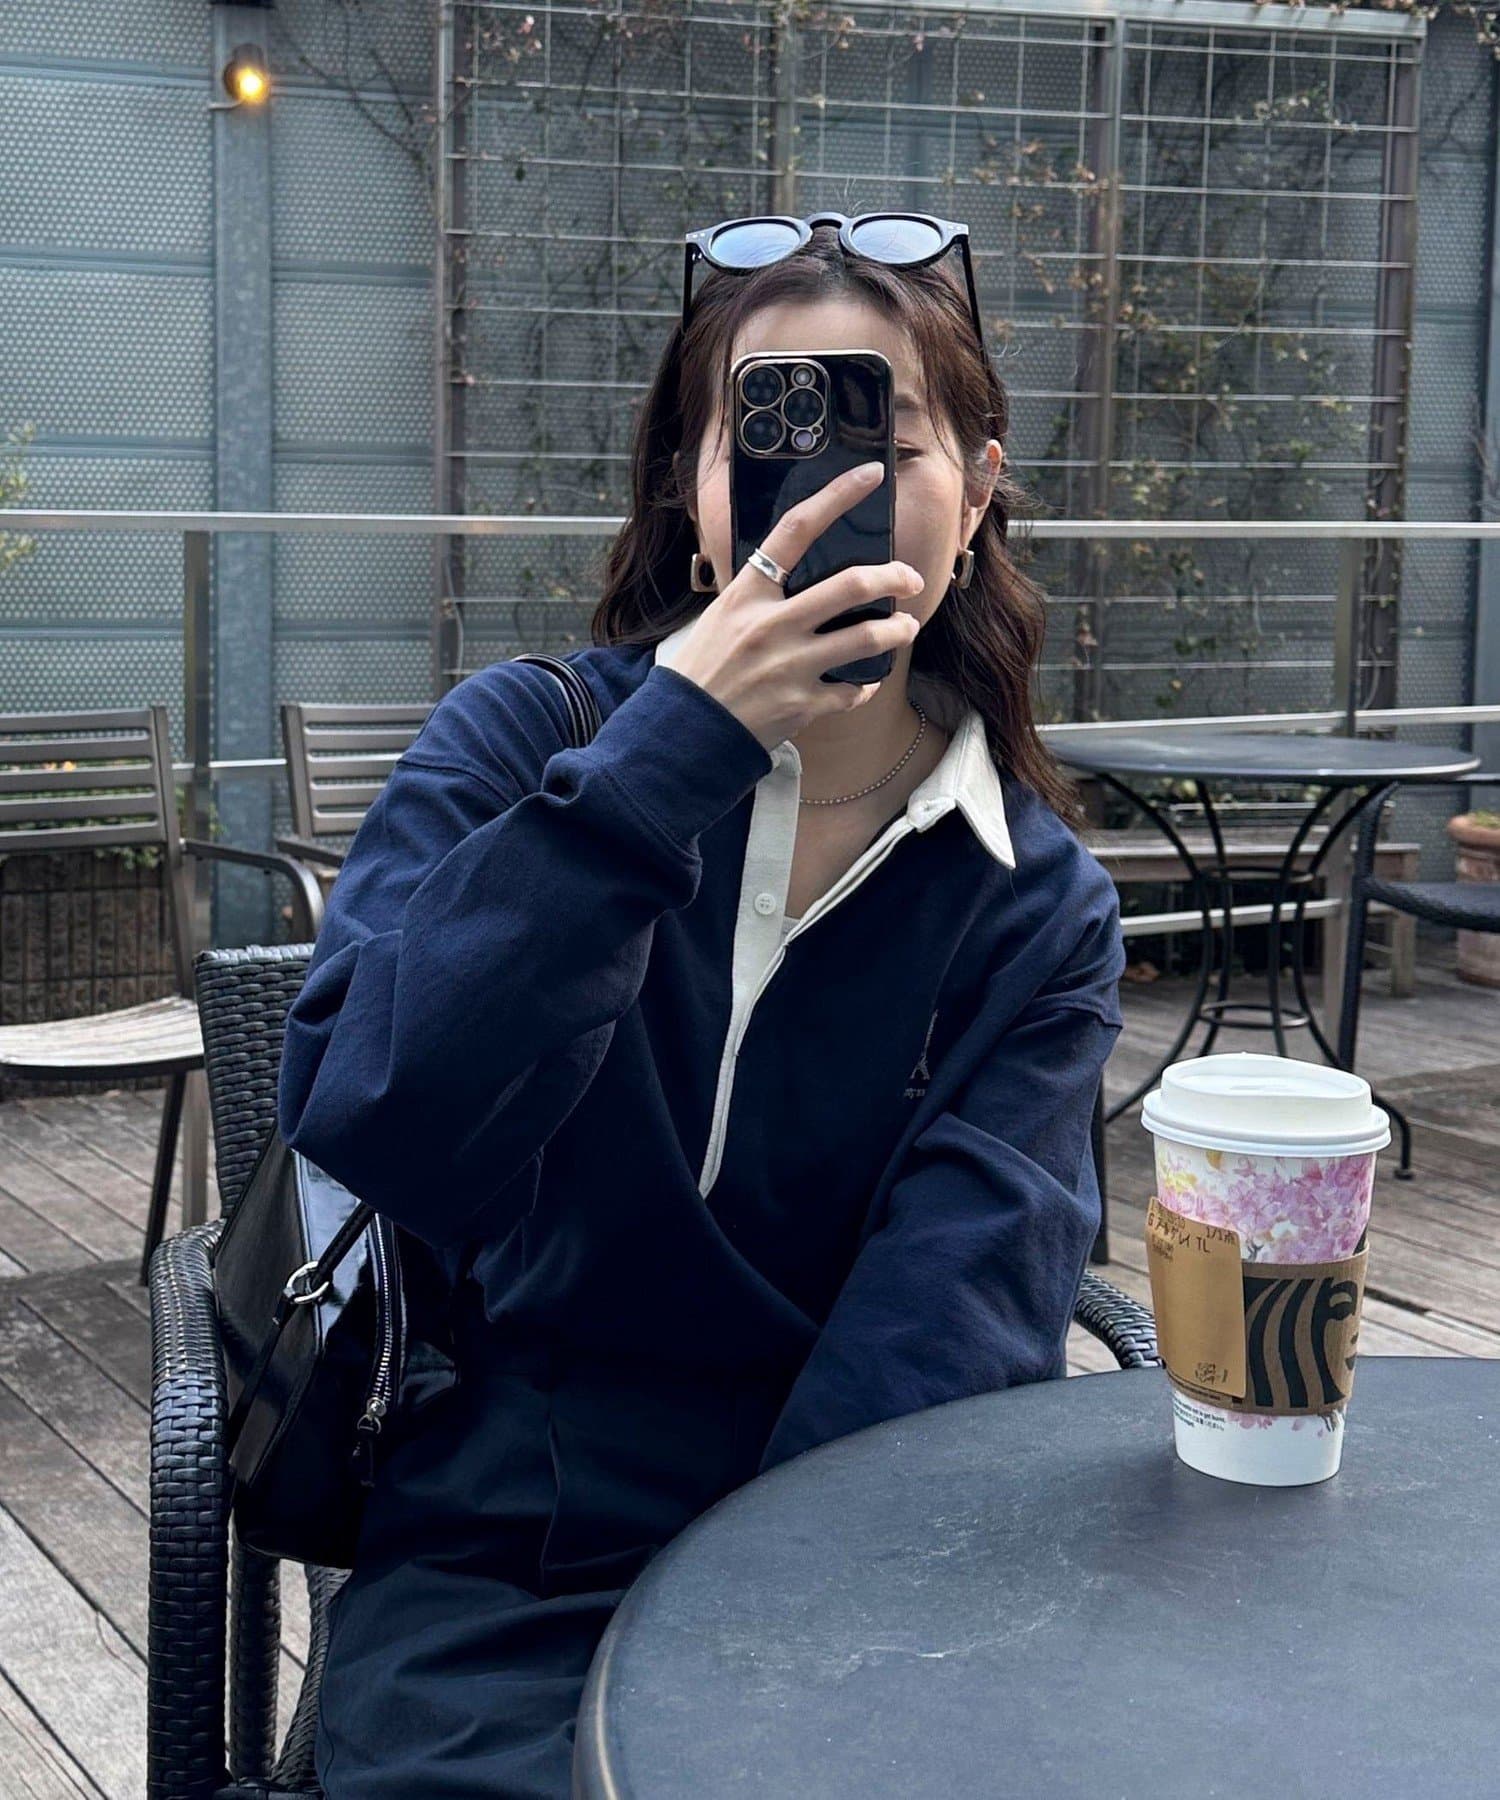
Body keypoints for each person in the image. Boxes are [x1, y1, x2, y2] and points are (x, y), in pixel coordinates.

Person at [279, 213, 1125, 1799]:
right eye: (769, 430)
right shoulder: (520, 745)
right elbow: (372, 1113)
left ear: (977, 493)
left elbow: (952, 1320)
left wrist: (763, 1642)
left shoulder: (1034, 904)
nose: (824, 488)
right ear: (693, 489)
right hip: (507, 1561)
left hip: (851, 1568)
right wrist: (666, 763)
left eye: (885, 436)